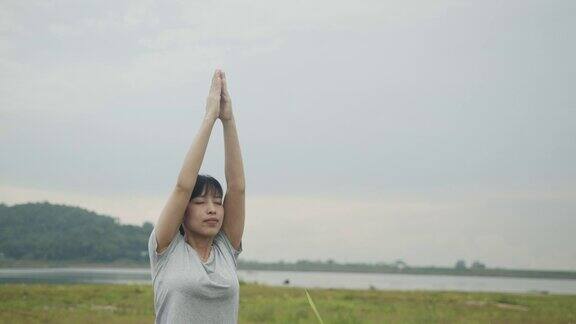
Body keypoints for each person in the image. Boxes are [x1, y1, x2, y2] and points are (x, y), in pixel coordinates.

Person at [148, 69, 246, 324]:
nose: (212, 209)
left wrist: (228, 120)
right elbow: (182, 186)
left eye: (216, 202)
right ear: (183, 212)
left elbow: (236, 188)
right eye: (201, 202)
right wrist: (210, 117)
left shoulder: (226, 249)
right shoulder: (166, 250)